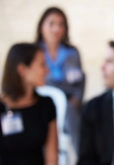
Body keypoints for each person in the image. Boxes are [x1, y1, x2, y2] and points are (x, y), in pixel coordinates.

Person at [35, 6, 85, 151]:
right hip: (42, 104)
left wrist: (76, 99)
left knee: (73, 112)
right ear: (41, 26)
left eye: (61, 24)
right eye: (51, 24)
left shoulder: (72, 52)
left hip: (70, 104)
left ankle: (79, 155)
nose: (56, 29)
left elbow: (80, 81)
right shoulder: (34, 52)